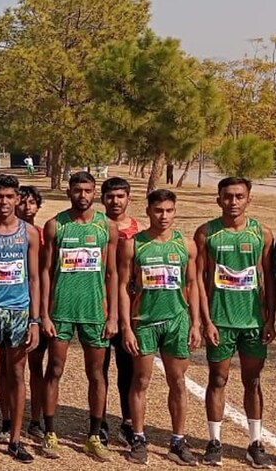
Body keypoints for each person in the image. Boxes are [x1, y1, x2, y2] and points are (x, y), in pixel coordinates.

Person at [195, 177, 274, 468]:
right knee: (218, 379)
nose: (233, 202)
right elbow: (200, 282)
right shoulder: (206, 234)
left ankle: (255, 443)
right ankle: (214, 441)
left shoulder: (262, 234)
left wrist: (270, 318)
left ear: (249, 199)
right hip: (221, 320)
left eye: (239, 196)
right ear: (218, 200)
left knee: (252, 381)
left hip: (253, 321)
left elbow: (268, 279)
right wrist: (206, 320)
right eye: (227, 196)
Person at [40, 171, 118, 461]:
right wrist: (45, 314)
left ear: (94, 192)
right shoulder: (55, 225)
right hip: (61, 310)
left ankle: (94, 436)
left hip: (95, 313)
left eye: (87, 190)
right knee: (55, 370)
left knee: (96, 374)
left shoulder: (106, 227)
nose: (82, 195)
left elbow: (113, 274)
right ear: (68, 192)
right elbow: (46, 272)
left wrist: (113, 317)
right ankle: (50, 433)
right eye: (77, 190)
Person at [119, 189, 201, 465]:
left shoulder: (186, 245)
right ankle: (139, 437)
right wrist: (127, 326)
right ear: (148, 211)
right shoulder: (133, 244)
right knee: (140, 380)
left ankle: (178, 441)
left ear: (175, 211)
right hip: (143, 322)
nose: (163, 216)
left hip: (177, 320)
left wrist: (196, 323)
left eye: (168, 210)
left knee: (177, 382)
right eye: (158, 211)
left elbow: (193, 285)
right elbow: (121, 286)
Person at [0, 174, 40, 465]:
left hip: (19, 312)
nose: (4, 202)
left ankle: (16, 439)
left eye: (9, 196)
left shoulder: (28, 233)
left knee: (16, 374)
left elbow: (35, 278)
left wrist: (35, 320)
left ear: (18, 199)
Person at [100, 177, 138, 446]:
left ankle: (127, 421)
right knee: (98, 369)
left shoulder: (140, 232)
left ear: (128, 198)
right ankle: (99, 420)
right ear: (102, 199)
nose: (115, 201)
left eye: (120, 196)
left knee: (128, 369)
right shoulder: (96, 227)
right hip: (100, 307)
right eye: (110, 196)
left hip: (129, 310)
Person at [17, 185, 49, 440]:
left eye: (31, 203)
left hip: (37, 308)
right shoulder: (4, 234)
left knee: (36, 366)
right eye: (22, 202)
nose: (26, 207)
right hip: (12, 306)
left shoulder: (42, 235)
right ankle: (8, 418)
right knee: (10, 368)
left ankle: (36, 418)